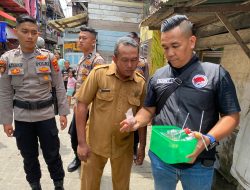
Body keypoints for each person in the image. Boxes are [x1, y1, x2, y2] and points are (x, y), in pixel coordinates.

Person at [120, 15, 241, 190]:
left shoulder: (216, 74)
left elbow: (231, 117)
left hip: (199, 163)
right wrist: (136, 121)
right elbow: (148, 109)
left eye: (175, 46)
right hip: (162, 159)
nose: (169, 53)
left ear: (192, 41)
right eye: (165, 47)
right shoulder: (158, 76)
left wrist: (207, 139)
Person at [0, 15, 70, 190]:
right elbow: (5, 92)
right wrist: (6, 120)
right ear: (16, 33)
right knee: (28, 156)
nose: (29, 36)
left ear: (38, 34)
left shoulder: (49, 57)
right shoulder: (7, 59)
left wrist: (63, 112)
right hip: (22, 118)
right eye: (25, 32)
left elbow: (59, 86)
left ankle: (58, 185)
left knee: (52, 154)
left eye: (33, 32)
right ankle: (35, 185)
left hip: (46, 115)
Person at [75, 36, 146, 190]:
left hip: (124, 146)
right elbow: (81, 105)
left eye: (134, 60)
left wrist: (142, 145)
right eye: (124, 60)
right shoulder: (98, 74)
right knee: (89, 185)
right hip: (94, 143)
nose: (130, 65)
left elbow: (142, 115)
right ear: (114, 58)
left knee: (122, 186)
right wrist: (81, 143)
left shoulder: (140, 83)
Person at [67, 26, 105, 172]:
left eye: (84, 38)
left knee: (85, 137)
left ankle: (88, 163)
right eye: (79, 37)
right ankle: (78, 158)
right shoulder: (83, 58)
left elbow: (100, 87)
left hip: (89, 109)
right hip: (79, 106)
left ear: (93, 42)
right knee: (74, 135)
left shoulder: (97, 61)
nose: (80, 40)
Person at [127, 32, 150, 162]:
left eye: (134, 41)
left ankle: (135, 150)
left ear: (139, 42)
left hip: (137, 100)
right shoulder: (122, 58)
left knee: (137, 127)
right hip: (124, 100)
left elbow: (146, 81)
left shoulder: (143, 62)